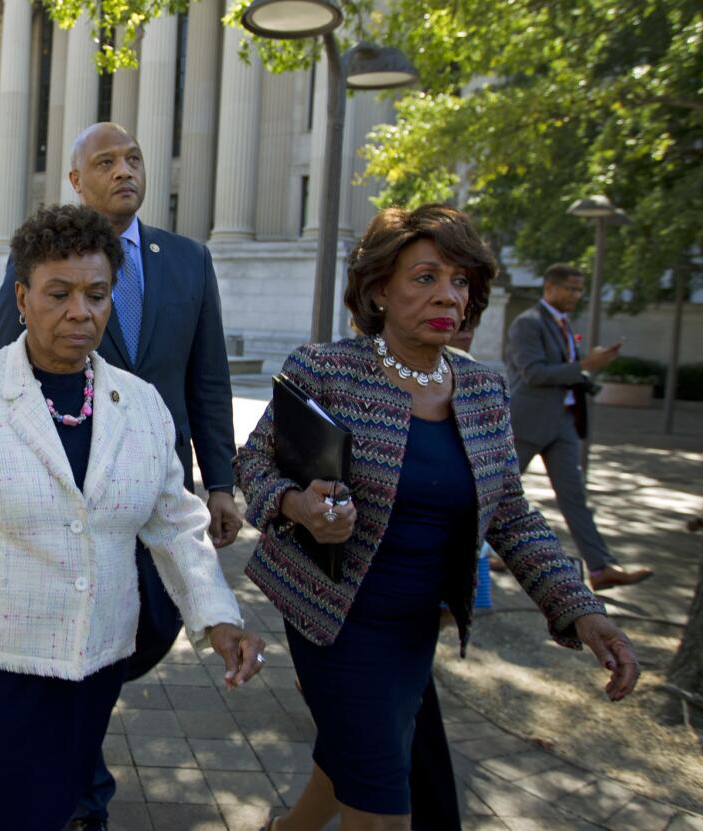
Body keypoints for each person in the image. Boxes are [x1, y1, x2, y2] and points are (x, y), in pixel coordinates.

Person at [236, 204, 641, 830]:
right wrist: (297, 506)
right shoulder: (326, 369)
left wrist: (581, 610)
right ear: (379, 290)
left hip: (416, 625)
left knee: (353, 756)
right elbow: (255, 467)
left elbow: (510, 512)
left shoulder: (482, 389)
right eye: (425, 277)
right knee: (381, 795)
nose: (447, 295)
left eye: (460, 280)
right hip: (335, 616)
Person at [0, 204, 265, 831]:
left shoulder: (140, 405)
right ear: (23, 299)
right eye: (59, 294)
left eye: (96, 294)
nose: (80, 312)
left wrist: (217, 618)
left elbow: (176, 525)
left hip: (97, 655)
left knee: (61, 804)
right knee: (14, 815)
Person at [0, 122, 241, 828]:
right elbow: (3, 371)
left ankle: (73, 764)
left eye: (133, 157)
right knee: (73, 638)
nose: (125, 169)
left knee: (136, 633)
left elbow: (209, 379)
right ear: (76, 180)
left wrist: (219, 482)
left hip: (150, 493)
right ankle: (81, 788)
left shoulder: (188, 260)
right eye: (105, 161)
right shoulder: (35, 254)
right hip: (59, 487)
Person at [506, 263, 654, 591]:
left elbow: (564, 370)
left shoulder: (562, 323)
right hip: (528, 422)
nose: (577, 295)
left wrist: (586, 367)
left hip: (563, 422)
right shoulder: (527, 323)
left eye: (579, 289)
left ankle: (601, 568)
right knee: (495, 493)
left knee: (574, 497)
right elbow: (534, 373)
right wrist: (586, 365)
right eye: (570, 289)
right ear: (550, 287)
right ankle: (465, 555)